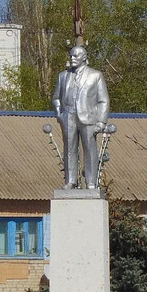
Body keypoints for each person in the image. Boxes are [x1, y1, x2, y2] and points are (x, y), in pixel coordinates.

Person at [52, 44, 110, 189]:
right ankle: (71, 180)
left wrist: (101, 121)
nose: (72, 58)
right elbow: (56, 98)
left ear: (84, 57)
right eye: (71, 55)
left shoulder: (95, 75)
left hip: (88, 118)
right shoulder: (63, 76)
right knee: (69, 149)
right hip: (68, 117)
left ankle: (91, 182)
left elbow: (103, 100)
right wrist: (60, 115)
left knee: (90, 150)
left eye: (75, 55)